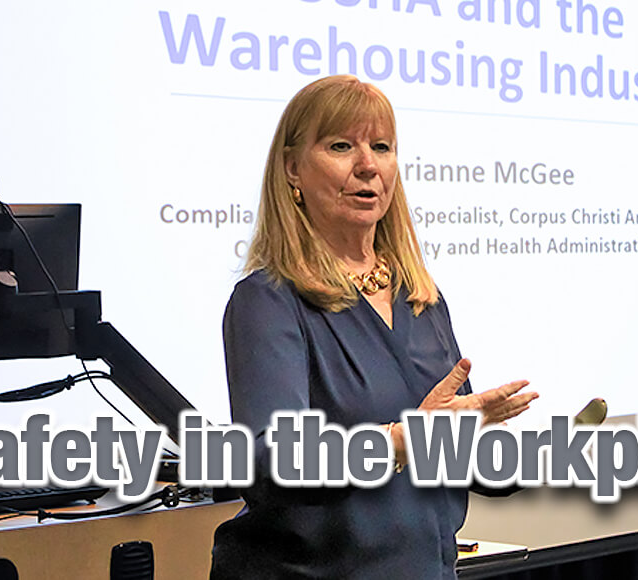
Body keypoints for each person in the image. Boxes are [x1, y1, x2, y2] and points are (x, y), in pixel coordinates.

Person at [210, 75, 537, 579]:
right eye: (341, 146)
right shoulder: (269, 301)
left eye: (381, 147)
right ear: (293, 168)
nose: (368, 165)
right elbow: (268, 464)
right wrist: (403, 441)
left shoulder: (420, 297)